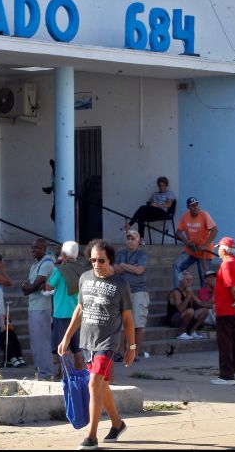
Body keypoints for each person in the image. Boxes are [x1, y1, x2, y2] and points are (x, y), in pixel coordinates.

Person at [58, 239, 135, 450]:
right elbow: (80, 310)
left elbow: (128, 319)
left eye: (101, 260)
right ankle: (117, 424)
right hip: (87, 341)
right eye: (92, 260)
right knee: (102, 385)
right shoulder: (84, 278)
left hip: (108, 342)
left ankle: (91, 436)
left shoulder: (120, 284)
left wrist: (131, 347)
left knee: (93, 384)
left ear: (110, 259)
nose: (96, 264)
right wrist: (66, 337)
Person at [210, 237, 235, 386]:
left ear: (224, 250)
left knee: (225, 343)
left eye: (219, 248)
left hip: (225, 310)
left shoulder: (226, 264)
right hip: (232, 310)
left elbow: (233, 288)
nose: (218, 250)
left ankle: (227, 376)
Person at [45, 241, 86, 370]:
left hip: (61, 314)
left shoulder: (59, 270)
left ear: (63, 254)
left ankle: (65, 375)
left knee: (63, 347)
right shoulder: (82, 270)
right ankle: (79, 374)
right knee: (77, 349)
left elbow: (49, 286)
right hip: (78, 314)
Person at [21, 238, 56, 379]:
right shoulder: (36, 264)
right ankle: (39, 371)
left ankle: (46, 373)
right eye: (32, 248)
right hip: (34, 306)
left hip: (42, 307)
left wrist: (29, 287)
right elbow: (29, 287)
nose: (33, 250)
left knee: (42, 342)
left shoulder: (47, 263)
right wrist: (29, 287)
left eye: (36, 248)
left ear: (44, 248)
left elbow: (33, 285)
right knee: (35, 342)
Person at [113, 230, 150, 359]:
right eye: (128, 238)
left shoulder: (142, 255)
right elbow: (114, 269)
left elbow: (139, 270)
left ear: (138, 241)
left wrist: (123, 265)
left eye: (133, 238)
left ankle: (134, 352)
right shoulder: (121, 253)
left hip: (139, 291)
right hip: (123, 292)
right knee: (122, 324)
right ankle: (121, 352)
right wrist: (129, 267)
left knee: (138, 324)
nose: (130, 240)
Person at [173, 197, 217, 287]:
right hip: (192, 250)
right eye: (192, 206)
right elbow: (178, 233)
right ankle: (178, 292)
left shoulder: (204, 215)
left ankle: (206, 298)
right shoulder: (185, 216)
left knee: (205, 278)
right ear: (188, 207)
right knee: (177, 265)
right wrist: (186, 242)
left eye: (196, 205)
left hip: (204, 252)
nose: (195, 207)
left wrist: (205, 245)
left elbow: (214, 230)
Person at [125, 177, 175, 241]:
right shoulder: (154, 194)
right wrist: (151, 205)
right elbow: (149, 203)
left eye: (163, 186)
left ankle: (129, 224)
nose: (161, 187)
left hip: (162, 212)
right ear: (158, 186)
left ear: (166, 185)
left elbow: (168, 205)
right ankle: (141, 239)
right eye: (160, 186)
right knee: (141, 215)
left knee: (142, 208)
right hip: (153, 212)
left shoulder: (169, 193)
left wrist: (157, 205)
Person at [167, 271, 209, 340]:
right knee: (190, 311)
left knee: (205, 311)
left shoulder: (189, 291)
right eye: (187, 280)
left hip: (187, 316)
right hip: (175, 318)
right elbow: (180, 309)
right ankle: (181, 333)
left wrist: (214, 303)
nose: (189, 282)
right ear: (181, 281)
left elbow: (200, 303)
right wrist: (188, 297)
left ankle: (191, 332)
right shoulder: (176, 292)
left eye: (191, 280)